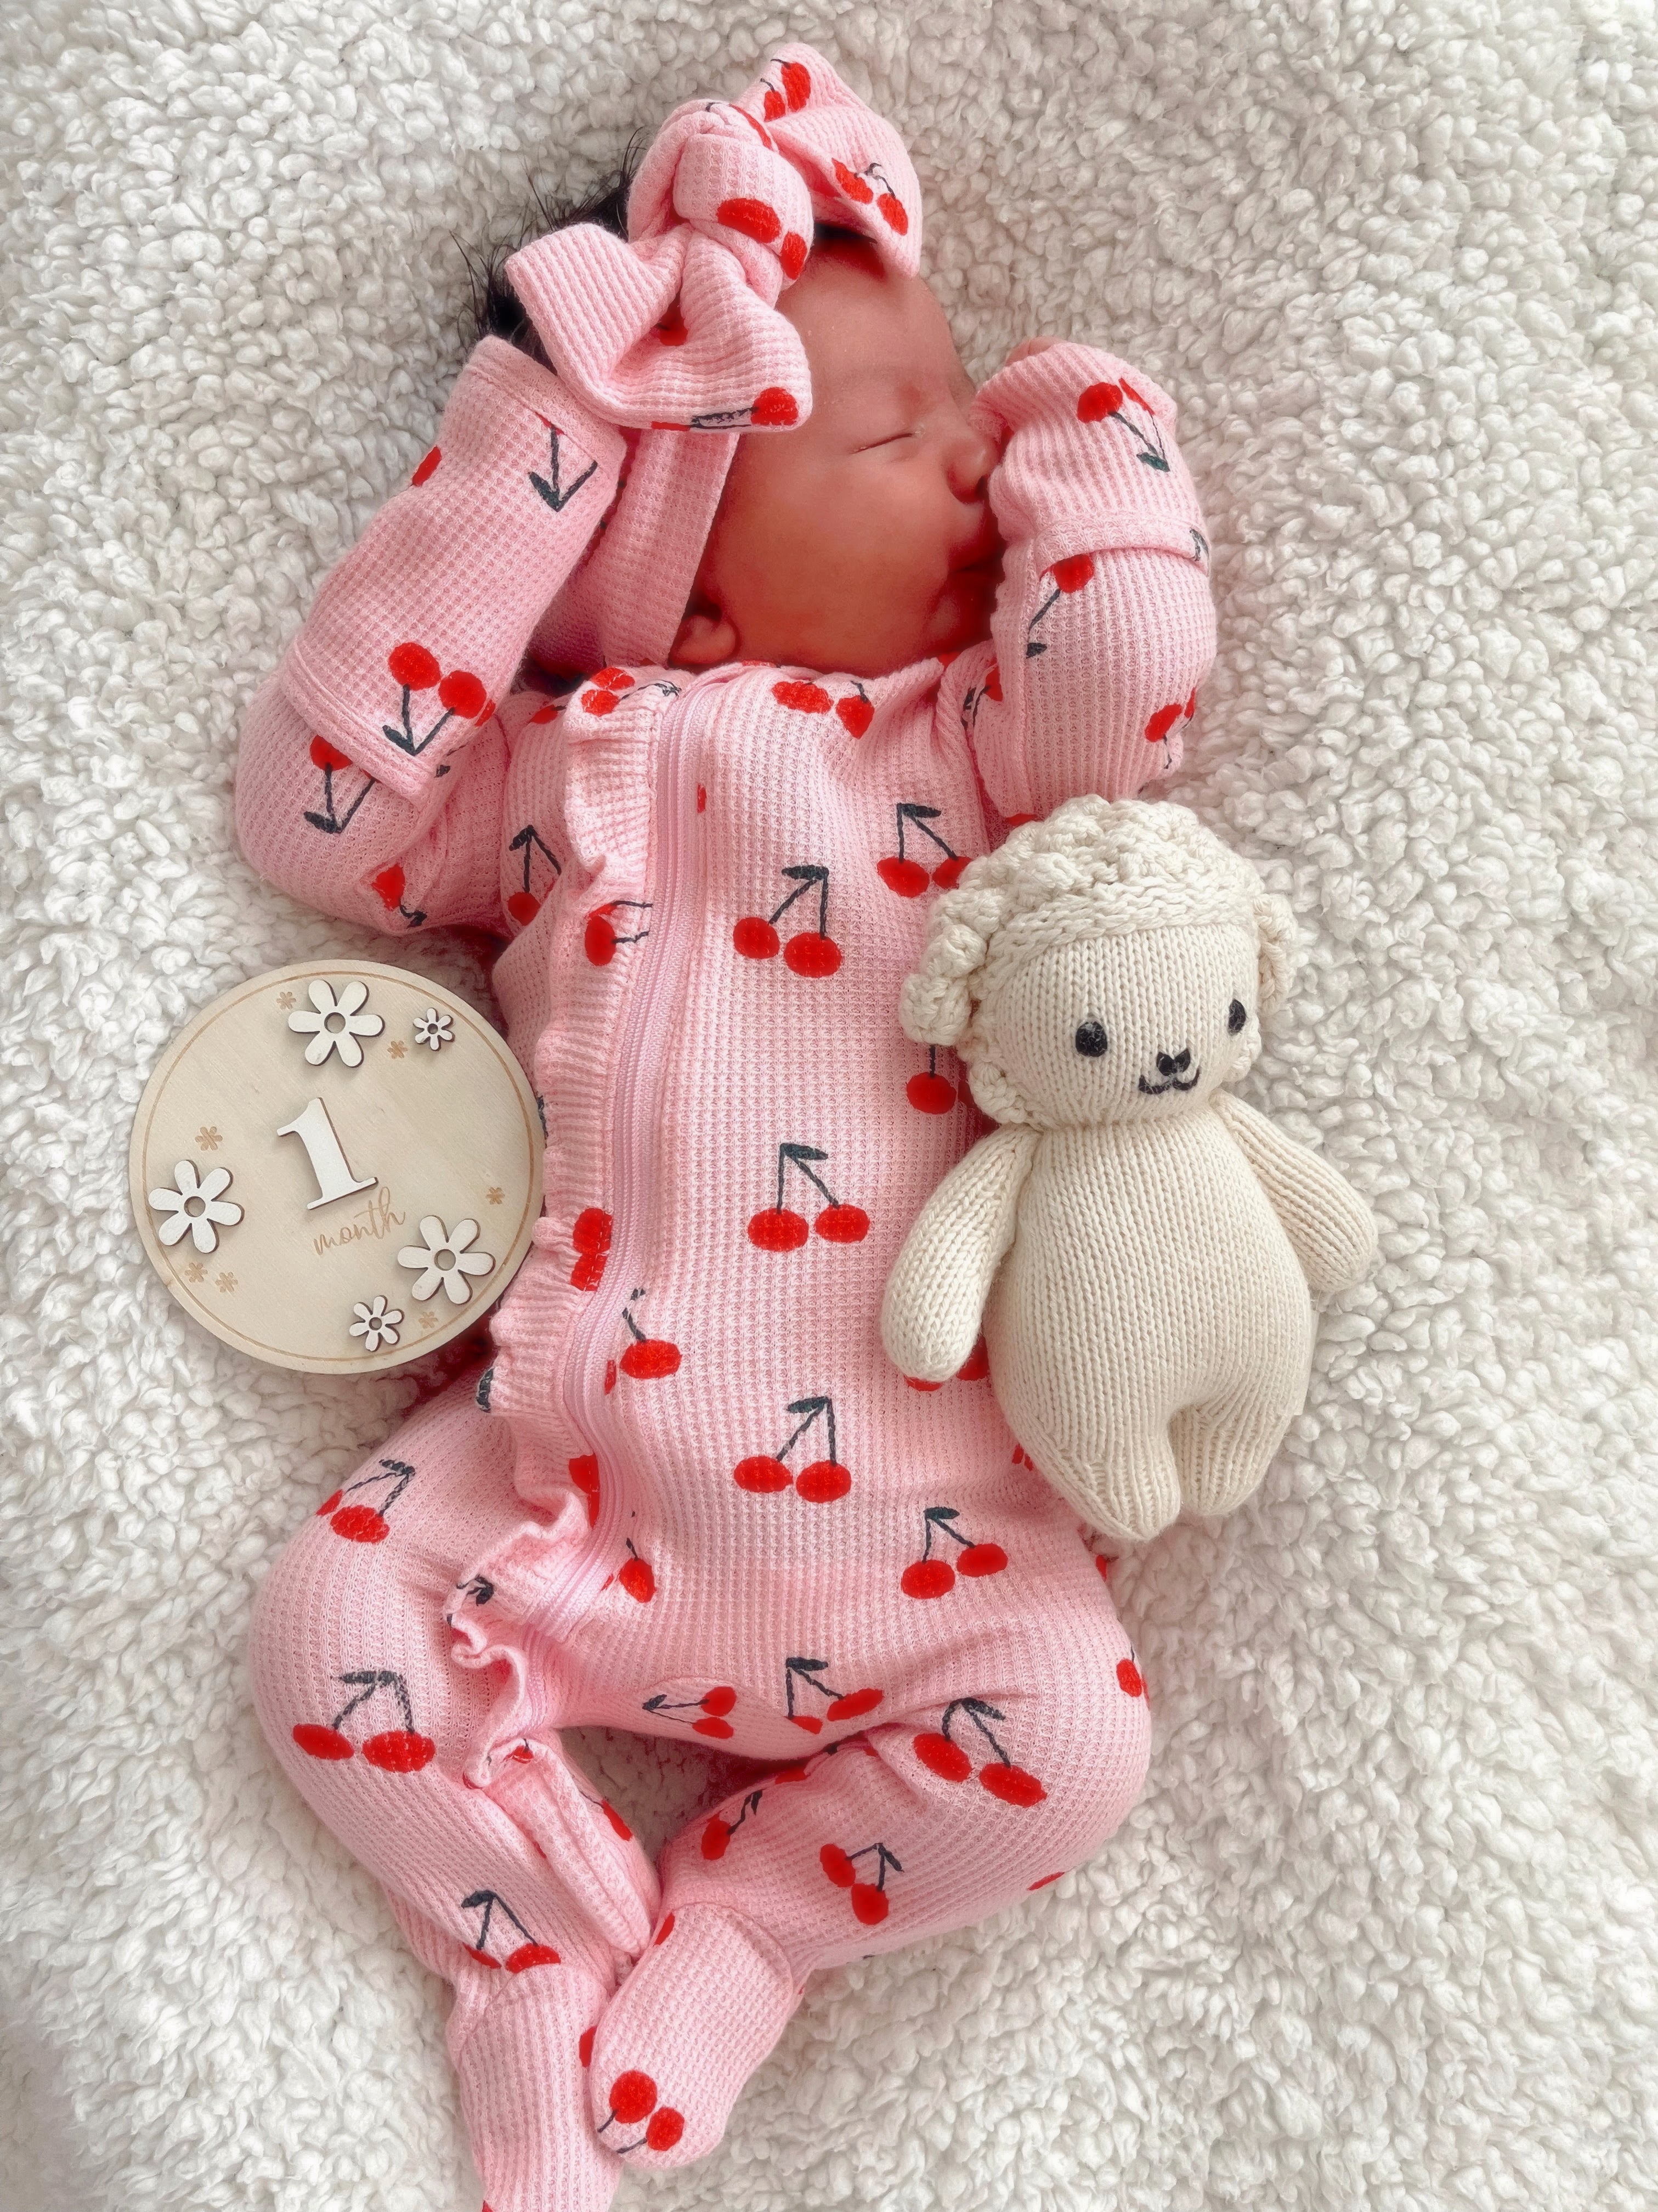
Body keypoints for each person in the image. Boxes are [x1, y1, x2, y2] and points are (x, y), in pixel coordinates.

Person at [237, 43, 1215, 2211]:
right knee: (324, 1636)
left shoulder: (969, 754)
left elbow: (1130, 661)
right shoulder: (573, 764)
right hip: (560, 1489)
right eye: (895, 433)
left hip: (931, 1542)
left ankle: (747, 1925)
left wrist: (1077, 412)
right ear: (675, 575)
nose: (970, 464)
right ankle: (534, 1960)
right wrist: (537, 453)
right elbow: (311, 816)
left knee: (1072, 1752)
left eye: (961, 418)